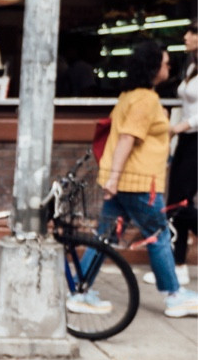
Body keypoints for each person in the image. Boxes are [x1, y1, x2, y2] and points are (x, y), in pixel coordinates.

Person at [78, 36, 198, 320]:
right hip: (140, 182)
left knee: (104, 236)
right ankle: (174, 295)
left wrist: (113, 179)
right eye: (165, 64)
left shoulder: (129, 96)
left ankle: (80, 291)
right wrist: (114, 178)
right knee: (159, 236)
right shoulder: (146, 99)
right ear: (154, 68)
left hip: (125, 181)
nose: (169, 68)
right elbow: (127, 139)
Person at [167, 21, 197, 285]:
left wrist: (179, 127)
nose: (186, 36)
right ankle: (178, 264)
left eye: (193, 32)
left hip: (195, 138)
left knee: (182, 204)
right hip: (186, 140)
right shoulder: (191, 67)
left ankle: (176, 263)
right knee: (178, 201)